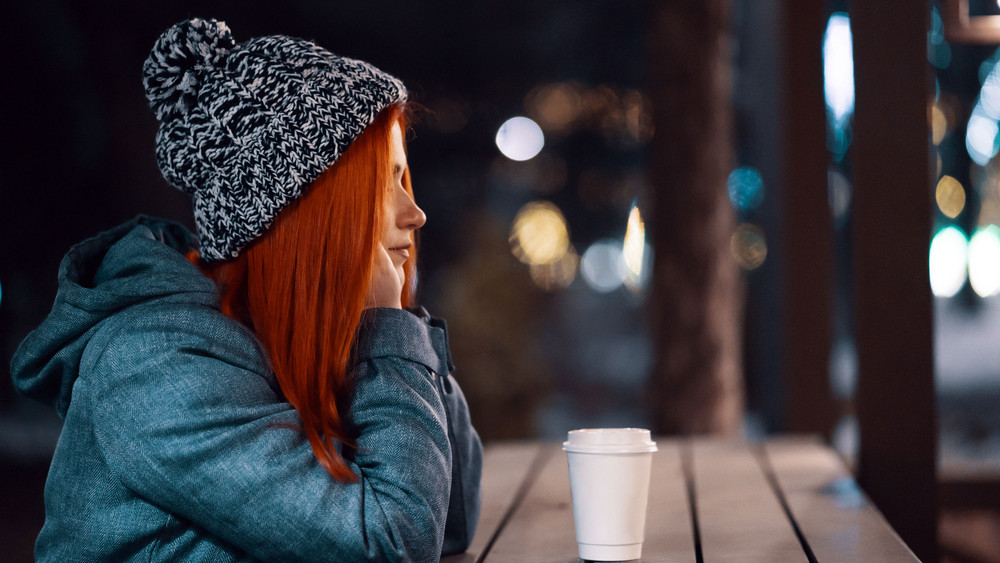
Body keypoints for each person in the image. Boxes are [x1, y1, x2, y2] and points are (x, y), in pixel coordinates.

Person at [10, 17, 482, 562]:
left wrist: (393, 321)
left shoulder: (282, 327)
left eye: (406, 179)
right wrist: (389, 334)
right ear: (303, 213)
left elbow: (450, 522)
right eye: (382, 184)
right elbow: (392, 543)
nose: (414, 213)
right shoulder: (156, 367)